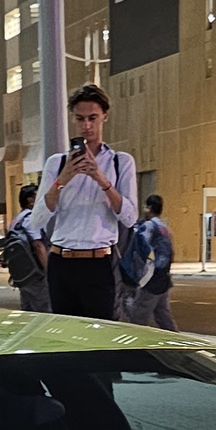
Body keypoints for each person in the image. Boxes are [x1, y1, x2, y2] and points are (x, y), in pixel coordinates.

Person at [31, 82, 135, 319]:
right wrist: (63, 178)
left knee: (100, 338)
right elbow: (36, 220)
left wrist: (101, 178)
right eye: (80, 119)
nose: (86, 125)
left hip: (99, 262)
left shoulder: (120, 162)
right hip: (61, 261)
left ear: (104, 117)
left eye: (92, 118)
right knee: (64, 338)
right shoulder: (56, 164)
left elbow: (129, 217)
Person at [120, 193, 175, 329]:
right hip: (163, 278)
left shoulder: (148, 227)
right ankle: (176, 345)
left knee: (136, 316)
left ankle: (137, 348)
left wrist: (137, 274)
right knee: (163, 316)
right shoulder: (165, 228)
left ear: (149, 208)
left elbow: (141, 250)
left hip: (151, 279)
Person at [1, 187, 50, 312]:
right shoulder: (31, 218)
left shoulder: (17, 219)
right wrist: (48, 271)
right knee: (44, 310)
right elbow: (38, 245)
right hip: (36, 274)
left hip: (23, 275)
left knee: (28, 310)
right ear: (30, 200)